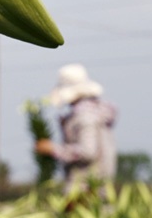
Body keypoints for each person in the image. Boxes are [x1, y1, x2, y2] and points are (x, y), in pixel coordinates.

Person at [35, 63, 117, 194]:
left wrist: (53, 149)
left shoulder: (85, 117)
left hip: (86, 188)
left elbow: (88, 152)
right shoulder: (96, 112)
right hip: (101, 185)